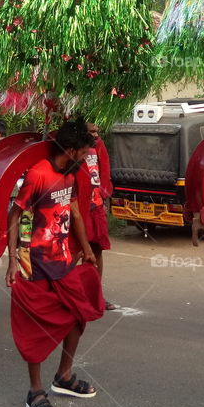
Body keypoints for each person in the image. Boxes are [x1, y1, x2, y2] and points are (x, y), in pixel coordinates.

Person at [6, 119, 104, 407]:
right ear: (71, 150)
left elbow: (74, 213)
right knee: (33, 327)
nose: (87, 159)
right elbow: (15, 215)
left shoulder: (70, 174)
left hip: (63, 260)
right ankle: (35, 390)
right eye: (85, 153)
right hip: (33, 262)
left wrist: (87, 249)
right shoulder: (38, 174)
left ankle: (64, 376)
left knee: (78, 314)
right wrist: (12, 260)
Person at [83, 121, 116, 310]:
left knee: (97, 251)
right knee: (77, 251)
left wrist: (104, 198)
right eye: (92, 131)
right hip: (79, 208)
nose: (96, 135)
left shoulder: (99, 145)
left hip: (96, 206)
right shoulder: (71, 149)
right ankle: (72, 295)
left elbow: (105, 171)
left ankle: (95, 296)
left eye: (97, 131)